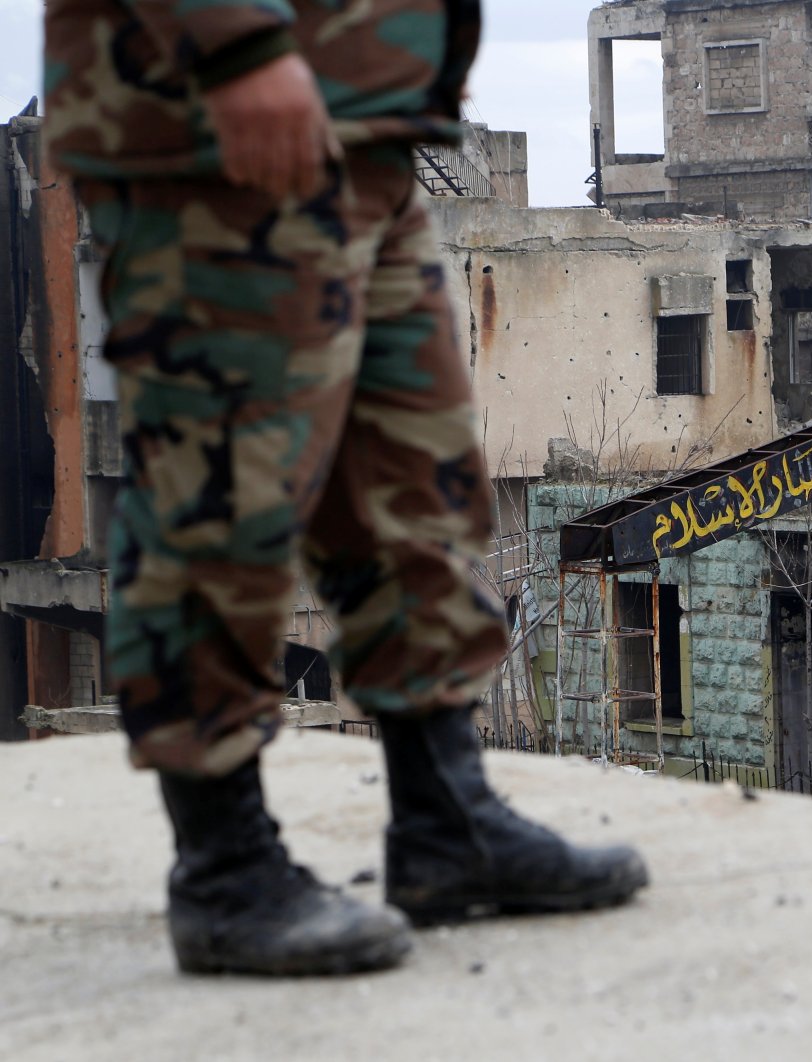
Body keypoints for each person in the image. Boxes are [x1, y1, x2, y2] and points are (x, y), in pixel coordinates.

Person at [42, 0, 647, 976]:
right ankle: (225, 867)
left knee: (413, 476)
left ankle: (446, 821)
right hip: (220, 114)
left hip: (364, 118)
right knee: (222, 495)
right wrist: (232, 43)